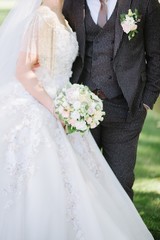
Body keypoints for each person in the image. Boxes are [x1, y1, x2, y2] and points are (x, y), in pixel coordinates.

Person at [0, 0, 155, 239]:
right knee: (73, 181)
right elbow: (26, 68)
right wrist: (58, 108)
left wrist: (145, 102)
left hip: (113, 108)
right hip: (67, 109)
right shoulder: (55, 11)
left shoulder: (141, 4)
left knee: (116, 180)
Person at [63, 0, 160, 199]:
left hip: (126, 109)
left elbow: (157, 53)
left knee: (121, 183)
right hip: (80, 109)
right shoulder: (70, 2)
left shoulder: (145, 2)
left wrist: (147, 98)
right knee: (82, 181)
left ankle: (122, 230)